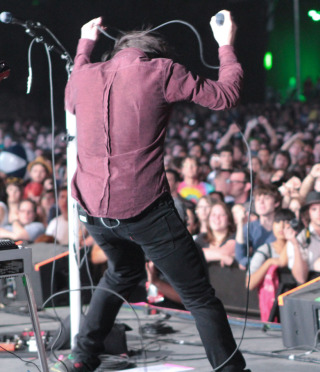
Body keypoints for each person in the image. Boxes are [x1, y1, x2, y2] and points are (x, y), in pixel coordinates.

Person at [58, 12, 247, 372]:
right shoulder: (161, 70)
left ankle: (81, 358)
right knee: (199, 297)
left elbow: (70, 102)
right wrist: (225, 44)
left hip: (92, 210)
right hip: (144, 210)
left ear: (117, 49)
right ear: (152, 53)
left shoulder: (82, 75)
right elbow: (226, 96)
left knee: (121, 272)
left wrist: (85, 44)